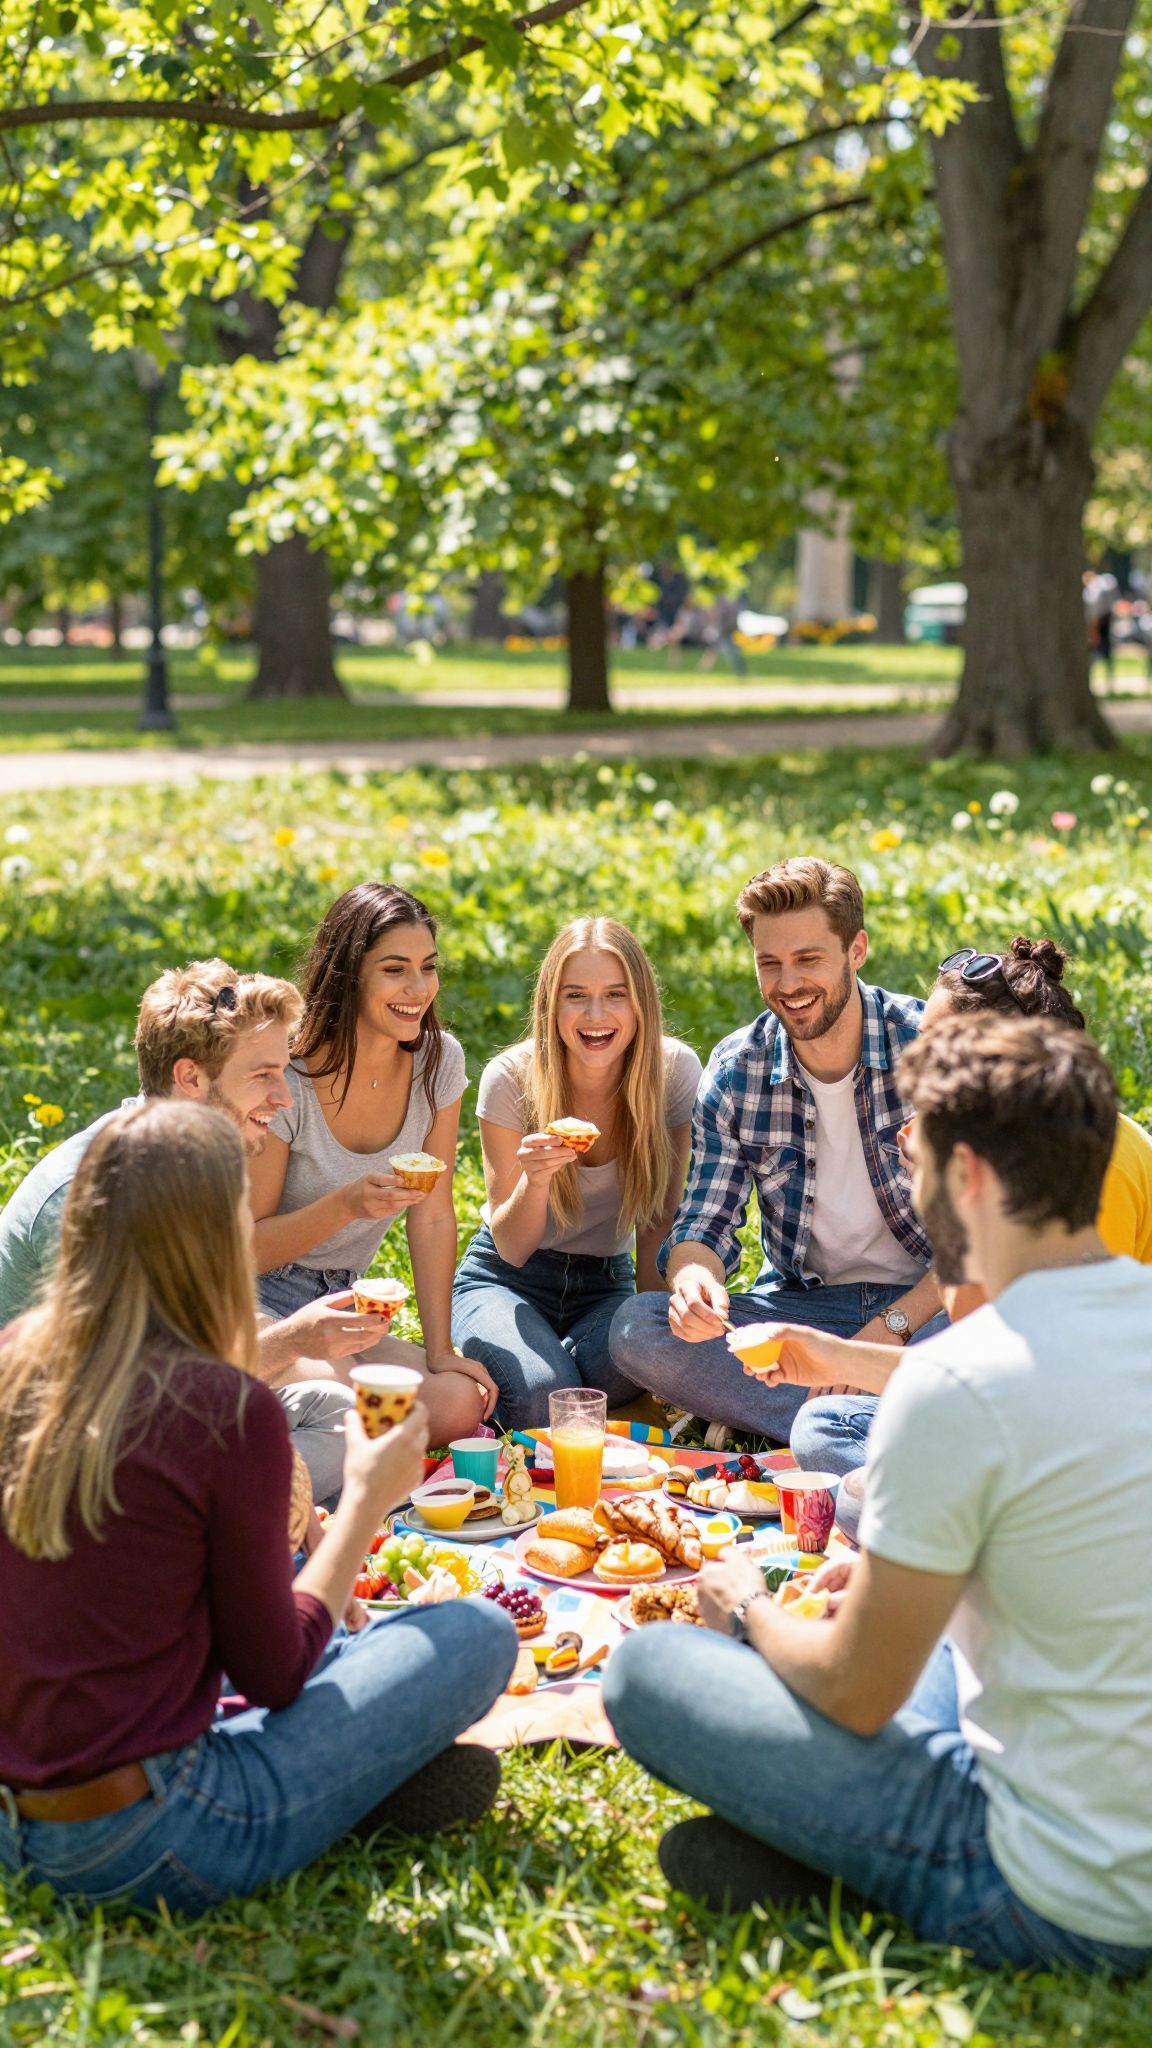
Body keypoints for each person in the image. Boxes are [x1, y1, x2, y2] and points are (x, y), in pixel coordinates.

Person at [605, 1014, 1152, 1975]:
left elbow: (858, 1694)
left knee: (645, 1673)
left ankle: (845, 1869)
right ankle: (814, 1854)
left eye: (921, 1159)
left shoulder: (960, 1384)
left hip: (1062, 1896)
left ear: (970, 1177)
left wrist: (751, 1613)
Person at [0, 1100, 517, 1913]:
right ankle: (350, 1788)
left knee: (358, 1642)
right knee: (475, 1634)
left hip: (16, 1817)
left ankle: (353, 1782)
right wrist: (365, 1506)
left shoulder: (21, 1357)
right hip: (153, 1832)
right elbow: (275, 1673)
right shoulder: (221, 1408)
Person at [776, 935, 1152, 1501]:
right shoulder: (1014, 1153)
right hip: (1028, 1404)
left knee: (849, 1478)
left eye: (933, 1045)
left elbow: (1033, 1378)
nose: (915, 1063)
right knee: (824, 1428)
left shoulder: (1098, 1166)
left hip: (1090, 1444)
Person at [0, 960, 378, 1500]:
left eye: (283, 1072)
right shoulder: (95, 1194)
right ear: (191, 1078)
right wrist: (293, 1340)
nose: (285, 1097)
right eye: (262, 1075)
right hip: (70, 1453)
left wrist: (300, 1351)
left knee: (345, 1416)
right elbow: (131, 1396)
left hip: (151, 1414)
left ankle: (253, 1519)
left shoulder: (198, 1168)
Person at [609, 858, 940, 1443]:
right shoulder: (739, 1069)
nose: (788, 985)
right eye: (770, 963)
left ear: (856, 949)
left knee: (1014, 1328)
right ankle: (877, 1423)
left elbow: (985, 1243)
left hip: (929, 1309)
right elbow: (703, 1224)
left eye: (808, 959)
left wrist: (888, 1330)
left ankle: (833, 1421)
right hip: (804, 1311)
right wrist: (694, 1282)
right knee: (639, 1328)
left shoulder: (930, 1045)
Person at [251, 883, 497, 1445]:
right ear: (349, 975)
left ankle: (293, 1424)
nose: (418, 989)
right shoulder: (290, 1076)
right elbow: (249, 1247)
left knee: (461, 1403)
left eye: (428, 968)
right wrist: (346, 1206)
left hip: (344, 1306)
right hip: (256, 1306)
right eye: (395, 970)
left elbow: (432, 1216)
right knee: (346, 1410)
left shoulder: (439, 1063)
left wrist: (440, 1351)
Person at [451, 918, 701, 1427]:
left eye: (615, 994)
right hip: (507, 1279)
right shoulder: (511, 1078)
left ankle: (540, 1371)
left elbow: (659, 1220)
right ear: (550, 1004)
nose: (595, 1015)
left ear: (641, 1004)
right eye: (576, 996)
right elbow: (511, 1246)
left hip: (605, 1284)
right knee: (547, 1395)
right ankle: (540, 1372)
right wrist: (535, 1180)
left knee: (638, 1354)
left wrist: (652, 1343)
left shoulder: (673, 1073)